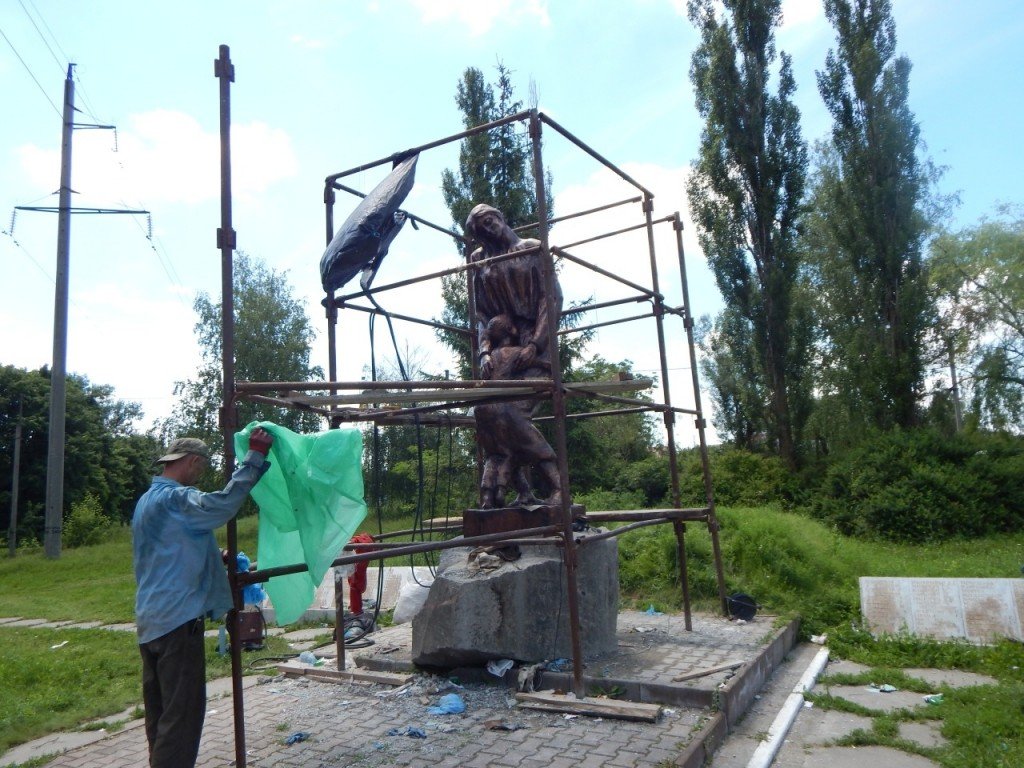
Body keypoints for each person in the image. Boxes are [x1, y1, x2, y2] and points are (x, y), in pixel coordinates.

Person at [132, 429, 273, 768]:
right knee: (182, 718)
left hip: (151, 621)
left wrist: (214, 554)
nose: (200, 475)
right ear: (193, 462)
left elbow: (171, 547)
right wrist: (254, 458)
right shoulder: (177, 499)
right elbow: (220, 505)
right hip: (178, 622)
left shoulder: (147, 501)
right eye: (201, 468)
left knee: (161, 713)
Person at [465, 204, 564, 508]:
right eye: (480, 227)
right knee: (487, 415)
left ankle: (558, 486)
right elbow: (481, 313)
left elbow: (552, 299)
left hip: (536, 352)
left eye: (489, 220)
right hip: (500, 352)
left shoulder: (531, 249)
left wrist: (535, 344)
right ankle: (514, 490)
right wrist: (483, 352)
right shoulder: (479, 261)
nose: (488, 228)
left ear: (501, 217)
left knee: (512, 415)